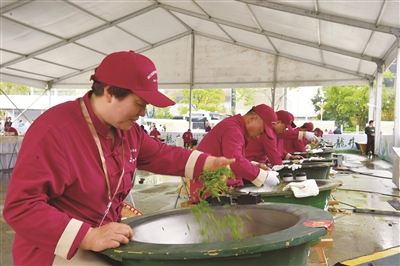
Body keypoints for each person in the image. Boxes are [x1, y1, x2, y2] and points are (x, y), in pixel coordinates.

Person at [3, 50, 235, 265]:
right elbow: (21, 207)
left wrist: (207, 163)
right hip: (57, 248)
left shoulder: (128, 130)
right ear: (110, 92)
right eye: (139, 104)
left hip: (107, 235)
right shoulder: (55, 130)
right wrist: (89, 235)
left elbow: (161, 154)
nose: (143, 113)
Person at [190, 104, 281, 203]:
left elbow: (231, 158)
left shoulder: (235, 127)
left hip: (218, 186)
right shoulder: (233, 129)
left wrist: (256, 166)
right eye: (261, 132)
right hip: (210, 190)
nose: (259, 137)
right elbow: (235, 161)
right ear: (252, 119)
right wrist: (264, 176)